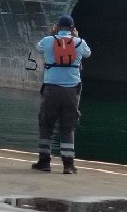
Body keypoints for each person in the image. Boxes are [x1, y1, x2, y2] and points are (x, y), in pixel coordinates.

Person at [32, 14, 91, 174]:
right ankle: (68, 166)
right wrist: (77, 37)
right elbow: (87, 54)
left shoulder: (47, 41)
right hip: (72, 91)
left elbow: (38, 48)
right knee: (68, 127)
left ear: (57, 27)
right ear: (72, 29)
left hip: (51, 89)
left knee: (46, 126)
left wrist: (52, 35)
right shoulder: (80, 43)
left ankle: (44, 163)